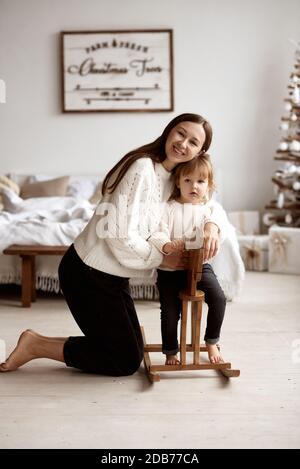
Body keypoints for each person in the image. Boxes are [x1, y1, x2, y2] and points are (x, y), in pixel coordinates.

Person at [0, 113, 226, 376]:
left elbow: (206, 205)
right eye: (180, 133)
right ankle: (36, 346)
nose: (183, 144)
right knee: (125, 360)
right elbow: (118, 235)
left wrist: (212, 225)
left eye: (193, 142)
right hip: (87, 272)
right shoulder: (143, 168)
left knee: (132, 348)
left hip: (114, 277)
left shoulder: (175, 179)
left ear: (201, 151)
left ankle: (37, 342)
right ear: (168, 131)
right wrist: (162, 259)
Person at [149, 155, 227, 366]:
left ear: (208, 184)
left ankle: (211, 340)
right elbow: (156, 233)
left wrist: (211, 228)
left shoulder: (208, 210)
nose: (194, 186)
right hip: (169, 270)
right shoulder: (168, 208)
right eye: (188, 180)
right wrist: (167, 245)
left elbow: (220, 229)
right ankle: (171, 352)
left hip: (199, 267)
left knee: (218, 299)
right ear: (177, 182)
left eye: (200, 182)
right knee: (170, 313)